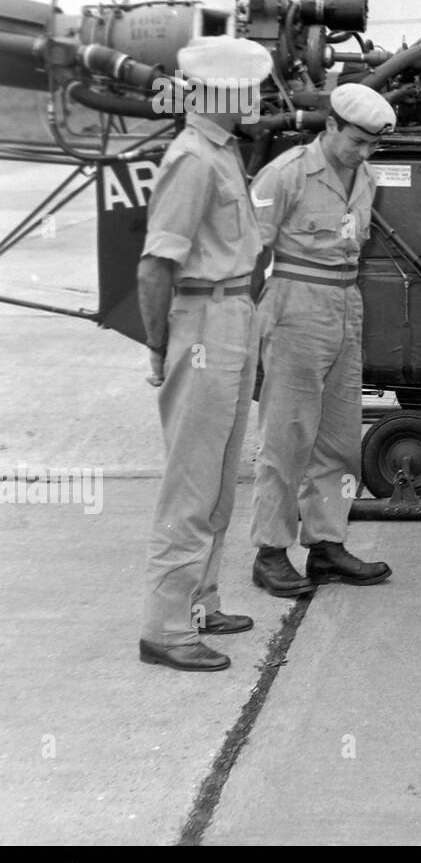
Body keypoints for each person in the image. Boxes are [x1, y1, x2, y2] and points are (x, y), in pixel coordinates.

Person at [137, 36, 272, 672]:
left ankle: (201, 602)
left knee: (218, 478)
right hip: (202, 320)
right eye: (251, 88)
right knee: (191, 482)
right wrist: (162, 352)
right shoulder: (193, 158)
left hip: (231, 314)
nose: (260, 98)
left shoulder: (222, 152)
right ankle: (166, 628)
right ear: (227, 92)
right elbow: (154, 266)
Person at [247, 82, 397, 596]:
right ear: (330, 125)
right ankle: (270, 552)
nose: (364, 152)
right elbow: (248, 255)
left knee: (338, 438)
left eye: (372, 144)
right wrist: (255, 330)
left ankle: (326, 545)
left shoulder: (367, 177)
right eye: (357, 141)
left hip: (345, 304)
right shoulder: (287, 173)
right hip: (296, 304)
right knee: (287, 435)